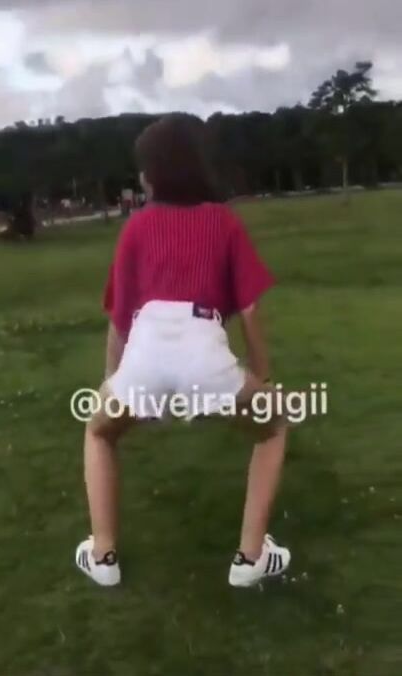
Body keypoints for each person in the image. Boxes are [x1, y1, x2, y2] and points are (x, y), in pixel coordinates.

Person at [75, 113, 290, 588]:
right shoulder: (223, 222)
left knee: (99, 432)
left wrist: (114, 382)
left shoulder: (137, 227)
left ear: (154, 174)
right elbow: (250, 309)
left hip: (145, 351)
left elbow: (120, 318)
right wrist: (263, 377)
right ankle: (250, 558)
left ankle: (103, 555)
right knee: (273, 427)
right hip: (203, 350)